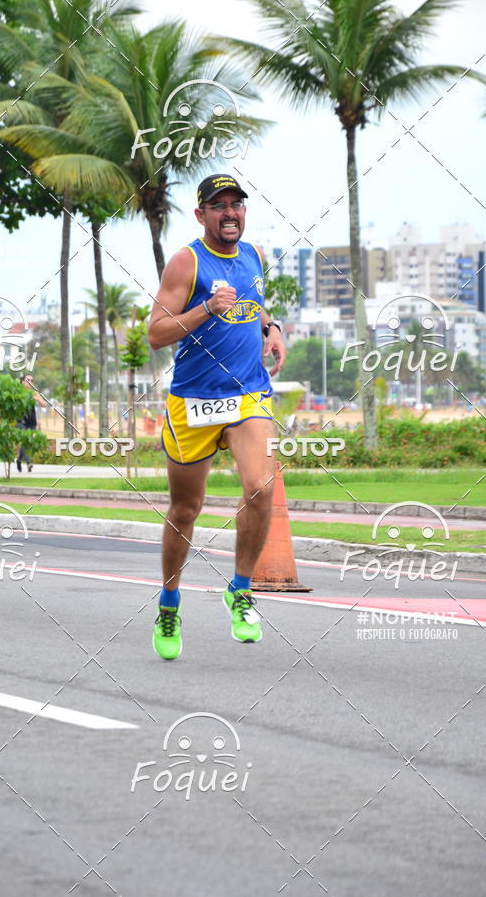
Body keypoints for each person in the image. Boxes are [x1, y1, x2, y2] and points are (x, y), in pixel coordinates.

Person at [147, 173, 286, 661]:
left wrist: (271, 327)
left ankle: (240, 589)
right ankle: (169, 603)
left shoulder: (254, 255)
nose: (230, 213)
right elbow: (156, 334)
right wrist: (206, 307)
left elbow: (253, 304)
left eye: (236, 204)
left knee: (261, 487)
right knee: (186, 509)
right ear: (201, 214)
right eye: (219, 205)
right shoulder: (186, 262)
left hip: (248, 394)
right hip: (194, 400)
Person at [16, 374, 47, 473]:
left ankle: (19, 459)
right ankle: (29, 463)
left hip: (32, 422)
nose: (30, 382)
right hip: (20, 421)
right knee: (26, 439)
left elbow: (44, 404)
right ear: (22, 382)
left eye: (32, 380)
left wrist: (37, 399)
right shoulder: (17, 392)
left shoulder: (34, 393)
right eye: (28, 380)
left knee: (27, 442)